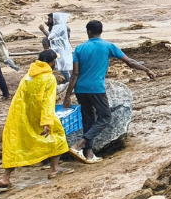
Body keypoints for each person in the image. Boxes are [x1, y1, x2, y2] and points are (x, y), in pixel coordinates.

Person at [62, 21, 155, 163]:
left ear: (89, 32)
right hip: (96, 89)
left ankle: (89, 154)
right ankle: (78, 145)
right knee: (105, 117)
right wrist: (146, 70)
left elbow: (75, 74)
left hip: (80, 89)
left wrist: (68, 95)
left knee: (88, 119)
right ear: (101, 31)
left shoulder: (80, 48)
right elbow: (129, 62)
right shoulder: (108, 46)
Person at [0, 48, 72, 190]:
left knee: (16, 145)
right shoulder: (49, 78)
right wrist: (46, 122)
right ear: (51, 62)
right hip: (40, 115)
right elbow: (47, 102)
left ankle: (5, 178)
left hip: (22, 115)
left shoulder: (28, 76)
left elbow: (19, 98)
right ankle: (55, 169)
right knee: (58, 136)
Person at [39, 12, 73, 82]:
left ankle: (69, 81)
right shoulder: (56, 27)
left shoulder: (62, 27)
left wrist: (43, 30)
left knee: (63, 68)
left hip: (62, 49)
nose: (48, 21)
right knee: (62, 67)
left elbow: (51, 37)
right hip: (57, 48)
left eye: (49, 19)